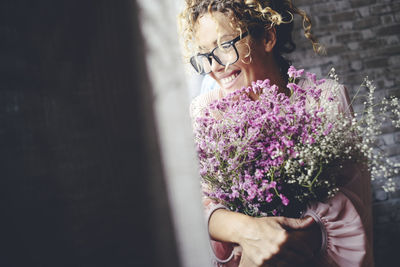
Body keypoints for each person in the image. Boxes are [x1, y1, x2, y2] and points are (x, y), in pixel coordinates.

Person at [179, 1, 373, 266]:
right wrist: (248, 230)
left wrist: (281, 239)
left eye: (225, 45)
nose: (215, 66)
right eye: (205, 53)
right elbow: (195, 205)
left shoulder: (324, 99)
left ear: (268, 37)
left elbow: (354, 202)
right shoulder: (202, 111)